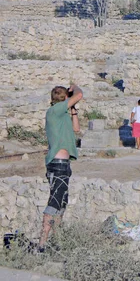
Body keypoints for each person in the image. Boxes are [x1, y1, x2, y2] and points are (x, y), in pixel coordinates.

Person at [38, 83, 83, 249]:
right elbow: (79, 95)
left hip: (63, 165)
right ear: (64, 98)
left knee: (61, 203)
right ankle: (42, 244)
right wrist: (75, 87)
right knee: (54, 203)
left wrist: (74, 111)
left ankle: (57, 243)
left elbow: (76, 129)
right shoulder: (55, 110)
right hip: (58, 165)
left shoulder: (61, 114)